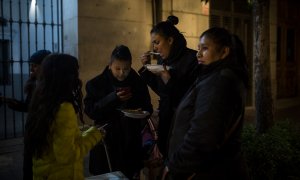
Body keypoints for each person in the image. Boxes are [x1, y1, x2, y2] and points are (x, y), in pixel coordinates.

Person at [164, 27, 250, 180]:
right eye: (198, 48)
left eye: (205, 48)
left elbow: (202, 137)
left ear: (224, 52)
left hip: (207, 172)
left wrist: (174, 167)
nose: (198, 54)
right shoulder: (212, 76)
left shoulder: (219, 82)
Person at [23, 53, 104, 180]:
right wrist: (96, 134)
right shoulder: (64, 108)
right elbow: (66, 155)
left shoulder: (41, 100)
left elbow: (58, 138)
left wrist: (85, 131)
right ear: (68, 77)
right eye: (76, 72)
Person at [84, 45, 153, 179]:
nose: (122, 73)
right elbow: (91, 111)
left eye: (126, 69)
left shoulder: (138, 83)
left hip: (131, 144)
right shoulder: (96, 84)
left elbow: (148, 108)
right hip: (106, 144)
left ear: (131, 65)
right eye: (118, 68)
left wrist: (141, 113)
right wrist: (112, 98)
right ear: (110, 65)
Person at [138, 15, 199, 157]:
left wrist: (168, 79)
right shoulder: (162, 59)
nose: (154, 48)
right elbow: (162, 91)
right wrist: (145, 69)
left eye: (157, 42)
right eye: (153, 44)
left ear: (170, 40)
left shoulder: (192, 59)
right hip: (166, 123)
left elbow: (190, 98)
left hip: (184, 126)